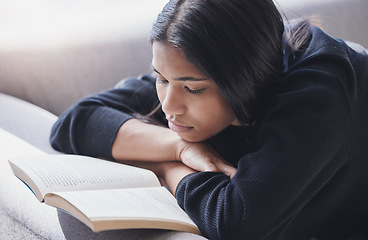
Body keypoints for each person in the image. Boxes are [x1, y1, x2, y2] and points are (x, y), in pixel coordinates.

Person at [50, 0, 368, 239]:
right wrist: (179, 148)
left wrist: (166, 167)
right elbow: (75, 120)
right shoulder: (197, 64)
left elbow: (234, 222)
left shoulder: (320, 95)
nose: (169, 106)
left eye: (192, 88)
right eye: (160, 78)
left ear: (244, 78)